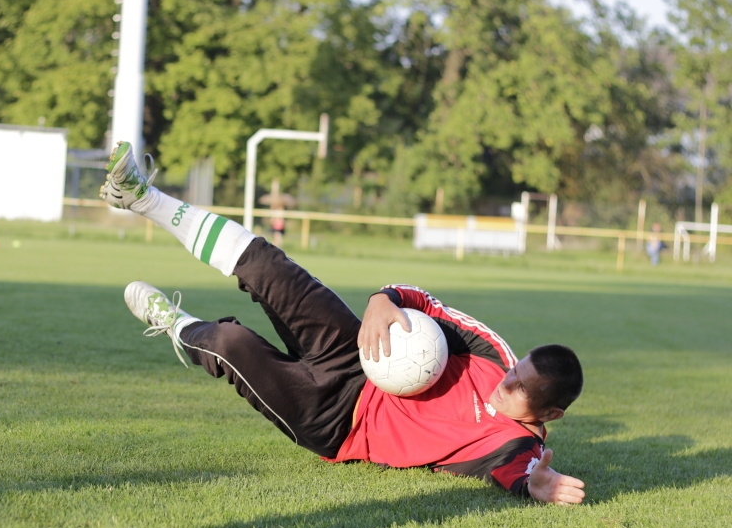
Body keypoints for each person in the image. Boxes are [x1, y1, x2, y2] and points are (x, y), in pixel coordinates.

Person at [100, 141, 586, 505]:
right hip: (357, 356)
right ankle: (143, 197)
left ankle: (176, 325)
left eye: (520, 387)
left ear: (549, 415)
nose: (506, 381)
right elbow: (424, 302)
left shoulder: (517, 446)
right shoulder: (490, 355)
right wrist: (383, 298)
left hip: (337, 424)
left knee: (230, 341)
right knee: (268, 265)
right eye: (515, 370)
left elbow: (518, 475)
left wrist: (535, 486)